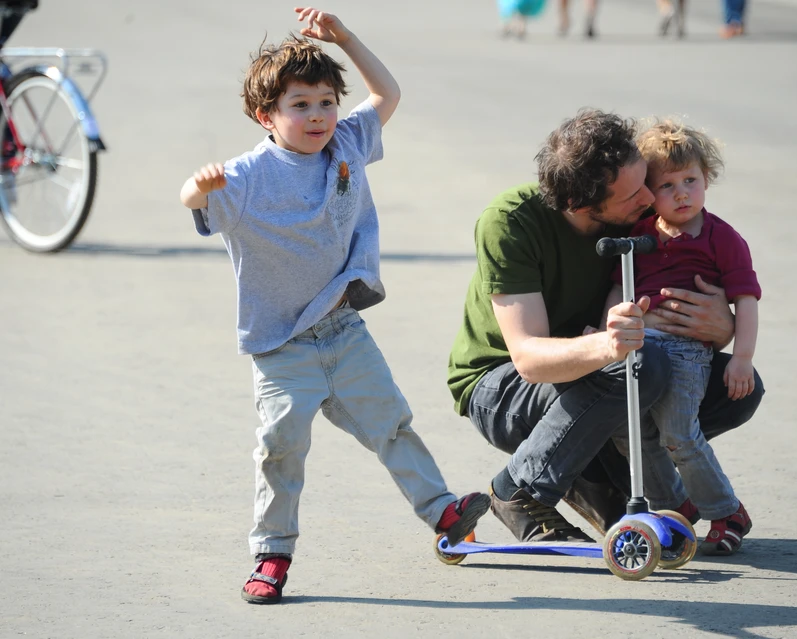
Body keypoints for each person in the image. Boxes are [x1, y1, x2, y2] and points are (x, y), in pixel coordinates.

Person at [179, 7, 490, 604]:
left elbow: (388, 93)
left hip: (342, 331)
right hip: (280, 347)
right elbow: (190, 199)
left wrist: (344, 37)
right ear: (265, 115)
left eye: (326, 100)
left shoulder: (347, 139)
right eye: (300, 104)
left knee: (392, 425)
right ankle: (272, 556)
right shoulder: (243, 178)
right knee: (280, 449)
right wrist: (200, 184)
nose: (318, 115)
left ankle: (445, 515)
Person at [447, 108, 764, 545]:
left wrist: (722, 328)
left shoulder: (641, 221)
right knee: (642, 365)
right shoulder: (510, 222)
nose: (651, 200)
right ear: (583, 206)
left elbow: (691, 290)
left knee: (735, 388)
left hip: (607, 374)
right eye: (637, 193)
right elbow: (530, 359)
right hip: (503, 387)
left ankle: (599, 473)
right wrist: (608, 345)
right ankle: (520, 491)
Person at [601, 119, 759, 555]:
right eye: (667, 185)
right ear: (650, 193)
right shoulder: (639, 236)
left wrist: (741, 357)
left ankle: (727, 512)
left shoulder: (721, 238)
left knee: (677, 432)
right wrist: (603, 332)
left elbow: (746, 300)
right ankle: (675, 507)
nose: (682, 193)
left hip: (689, 351)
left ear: (707, 179)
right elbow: (619, 289)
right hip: (639, 347)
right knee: (625, 429)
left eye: (690, 180)